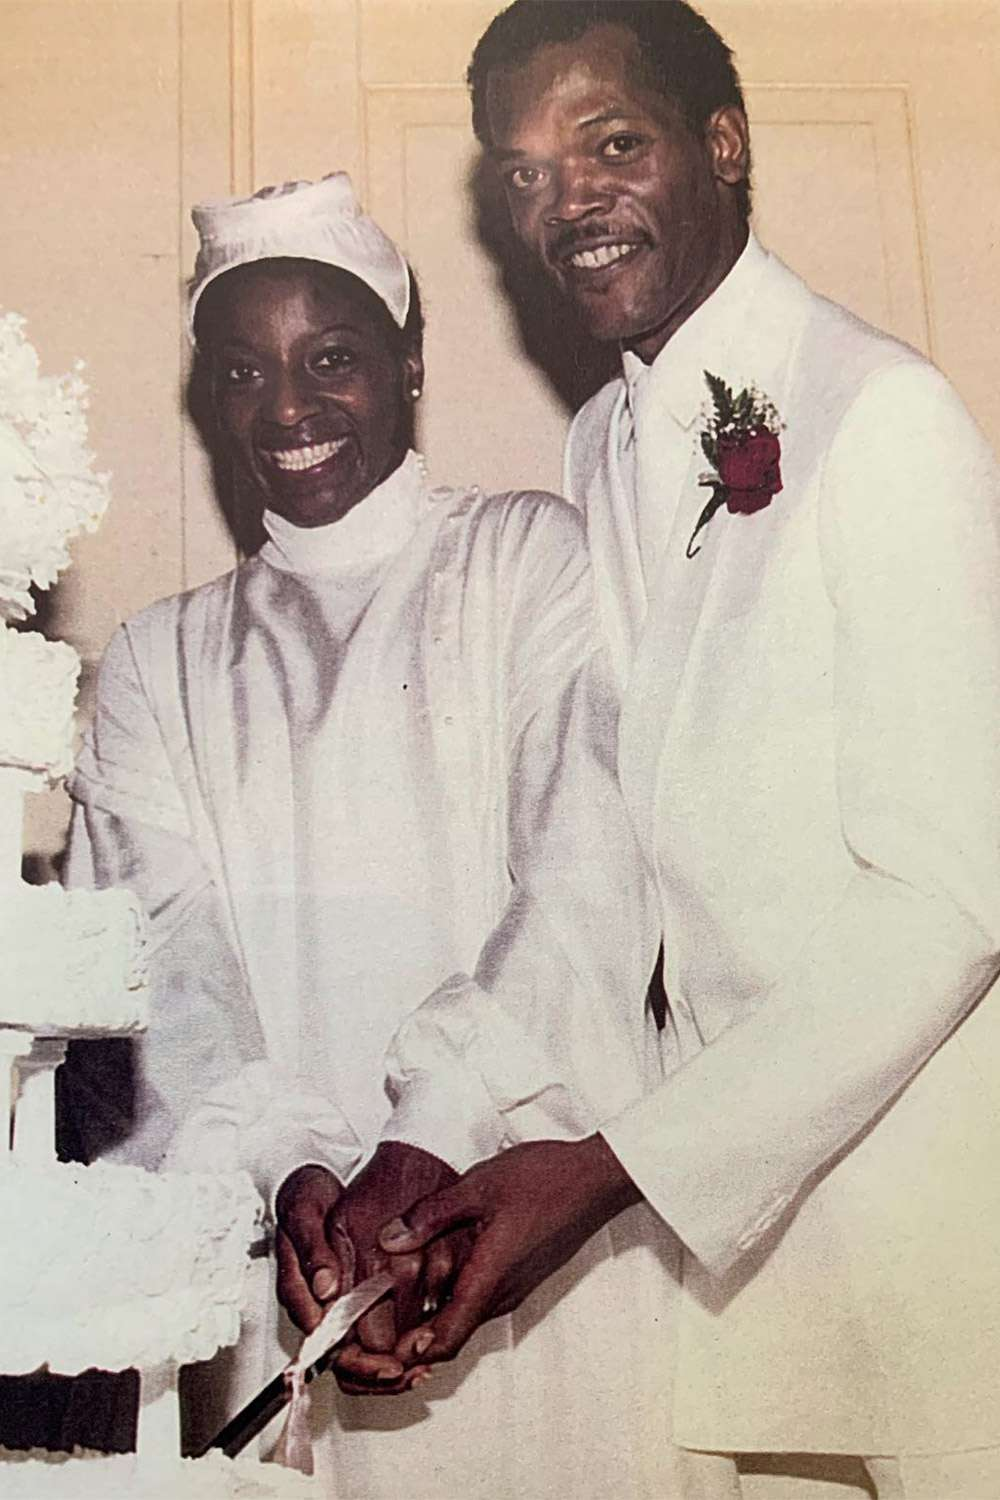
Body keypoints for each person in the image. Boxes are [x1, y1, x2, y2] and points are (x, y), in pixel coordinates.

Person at [324, 5, 1000, 1498]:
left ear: (724, 146)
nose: (563, 203)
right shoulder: (597, 449)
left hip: (946, 1268)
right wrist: (444, 1131)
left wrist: (615, 1169)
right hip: (750, 1281)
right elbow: (601, 852)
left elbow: (955, 899)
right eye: (521, 173)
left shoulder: (881, 417)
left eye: (609, 145)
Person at [61, 170, 685, 1498]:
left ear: (407, 361)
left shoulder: (530, 560)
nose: (287, 409)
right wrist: (292, 1169)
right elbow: (164, 974)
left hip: (524, 1228)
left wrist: (436, 1132)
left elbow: (588, 870)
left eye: (331, 358)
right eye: (242, 373)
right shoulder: (155, 663)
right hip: (286, 1272)